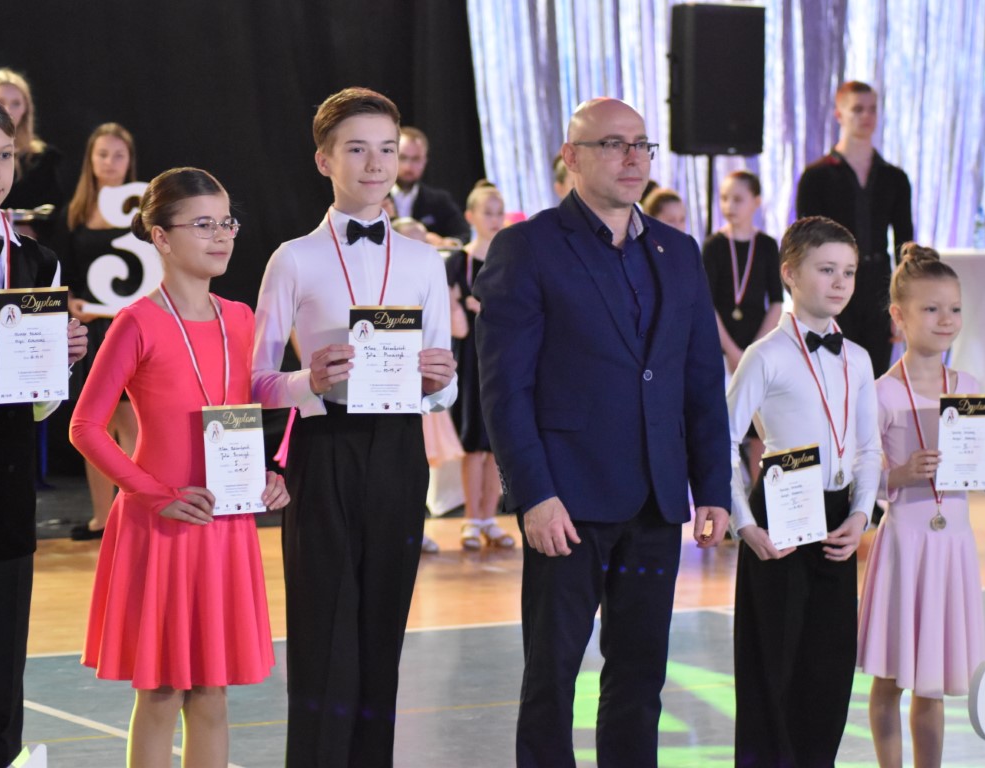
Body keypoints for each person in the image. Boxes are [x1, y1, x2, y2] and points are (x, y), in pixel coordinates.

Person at [475, 97, 732, 768]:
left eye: (641, 144)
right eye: (614, 144)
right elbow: (505, 389)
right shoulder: (526, 247)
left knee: (641, 677)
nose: (632, 157)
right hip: (567, 500)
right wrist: (534, 494)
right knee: (552, 676)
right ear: (572, 157)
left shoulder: (678, 251)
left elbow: (701, 378)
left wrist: (714, 486)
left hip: (656, 500)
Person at [251, 87, 457, 767]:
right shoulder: (293, 258)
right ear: (324, 160)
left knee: (382, 633)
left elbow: (445, 385)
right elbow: (254, 380)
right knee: (321, 631)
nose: (375, 164)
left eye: (387, 149)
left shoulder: (425, 261)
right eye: (358, 149)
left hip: (399, 450)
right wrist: (307, 381)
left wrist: (439, 381)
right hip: (324, 448)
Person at [71, 167, 287, 766]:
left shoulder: (241, 318)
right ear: (161, 237)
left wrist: (272, 472)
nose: (220, 236)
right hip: (162, 525)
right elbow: (85, 426)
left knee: (213, 694)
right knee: (162, 692)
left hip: (225, 524)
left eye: (226, 222)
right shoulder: (136, 322)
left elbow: (265, 404)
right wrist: (154, 493)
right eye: (202, 224)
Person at [0, 87, 88, 768]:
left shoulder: (37, 261)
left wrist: (58, 366)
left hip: (4, 495)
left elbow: (36, 406)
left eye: (4, 155)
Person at [725, 216, 880, 766]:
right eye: (826, 269)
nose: (840, 283)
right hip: (781, 513)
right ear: (790, 273)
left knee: (829, 665)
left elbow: (868, 449)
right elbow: (722, 442)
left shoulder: (858, 357)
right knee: (774, 663)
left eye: (849, 272)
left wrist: (861, 515)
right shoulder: (764, 355)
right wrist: (745, 525)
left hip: (838, 520)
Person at [857, 243, 985, 768]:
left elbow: (973, 469)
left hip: (952, 544)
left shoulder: (968, 388)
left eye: (954, 308)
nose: (946, 319)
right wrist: (898, 475)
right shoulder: (880, 393)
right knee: (890, 677)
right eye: (931, 308)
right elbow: (860, 480)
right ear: (898, 316)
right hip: (905, 543)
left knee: (933, 679)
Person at [54, 123, 141, 540]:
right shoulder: (74, 214)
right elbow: (63, 274)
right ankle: (103, 518)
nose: (110, 162)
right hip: (92, 331)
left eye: (118, 154)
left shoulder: (142, 211)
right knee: (95, 425)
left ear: (129, 161)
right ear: (90, 160)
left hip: (132, 329)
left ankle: (136, 512)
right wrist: (71, 303)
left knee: (132, 423)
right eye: (102, 154)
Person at [796, 81, 913, 377]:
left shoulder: (894, 178)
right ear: (839, 114)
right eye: (858, 109)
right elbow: (805, 246)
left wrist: (902, 304)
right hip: (832, 284)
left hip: (879, 288)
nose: (866, 116)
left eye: (872, 109)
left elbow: (905, 245)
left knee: (874, 378)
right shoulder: (816, 177)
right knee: (832, 376)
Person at [445, 181, 515, 550]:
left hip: (504, 358)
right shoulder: (458, 261)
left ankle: (490, 517)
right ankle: (471, 517)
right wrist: (464, 305)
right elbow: (450, 312)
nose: (494, 219)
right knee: (474, 443)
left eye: (499, 212)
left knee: (497, 444)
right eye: (487, 212)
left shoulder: (510, 258)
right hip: (472, 362)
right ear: (470, 216)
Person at [702, 171, 784, 485]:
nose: (729, 206)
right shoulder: (713, 245)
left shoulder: (766, 245)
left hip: (758, 344)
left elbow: (776, 302)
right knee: (725, 426)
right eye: (724, 198)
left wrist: (753, 350)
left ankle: (762, 498)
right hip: (723, 348)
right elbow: (707, 305)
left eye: (738, 199)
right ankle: (727, 496)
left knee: (760, 427)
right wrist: (733, 352)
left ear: (756, 202)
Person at [0, 68, 64, 239]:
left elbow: (55, 214)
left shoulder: (42, 159)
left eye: (16, 103)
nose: (7, 110)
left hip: (24, 248)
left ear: (26, 109)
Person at [392, 126, 470, 243]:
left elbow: (463, 235)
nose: (408, 166)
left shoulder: (439, 201)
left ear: (425, 161)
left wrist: (444, 243)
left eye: (416, 159)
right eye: (403, 158)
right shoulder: (373, 199)